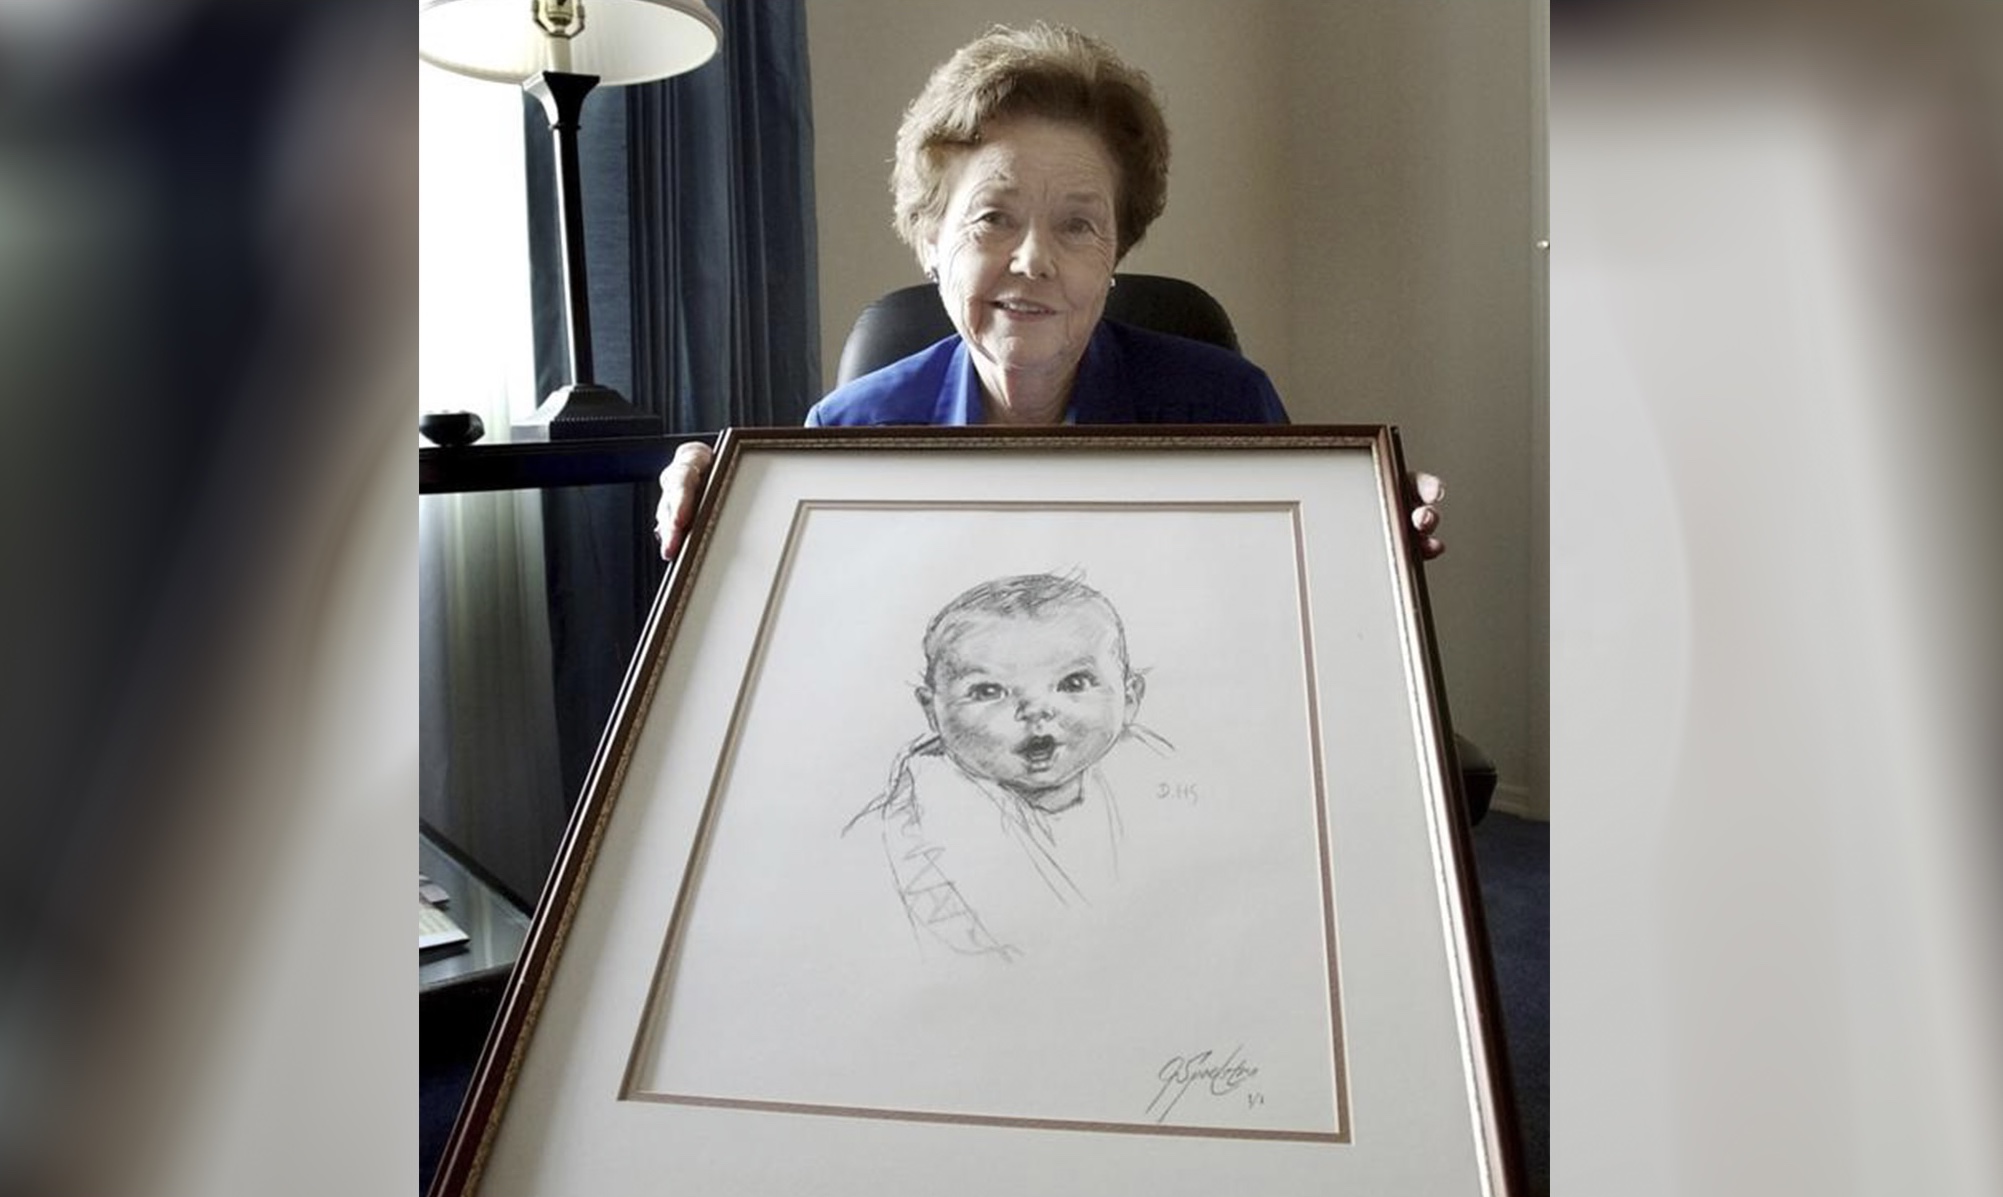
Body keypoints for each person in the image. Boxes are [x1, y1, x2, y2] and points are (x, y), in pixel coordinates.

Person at [654, 21, 1445, 556]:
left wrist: (1366, 535)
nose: (1033, 259)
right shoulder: (851, 428)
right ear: (930, 239)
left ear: (1114, 254)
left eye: (1076, 225)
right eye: (993, 216)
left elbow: (1289, 607)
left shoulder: (1224, 404)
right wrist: (730, 527)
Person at [843, 573, 1174, 961]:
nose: (1035, 710)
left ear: (1130, 697)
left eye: (1073, 682)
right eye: (988, 691)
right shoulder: (898, 838)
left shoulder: (1160, 784)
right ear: (932, 712)